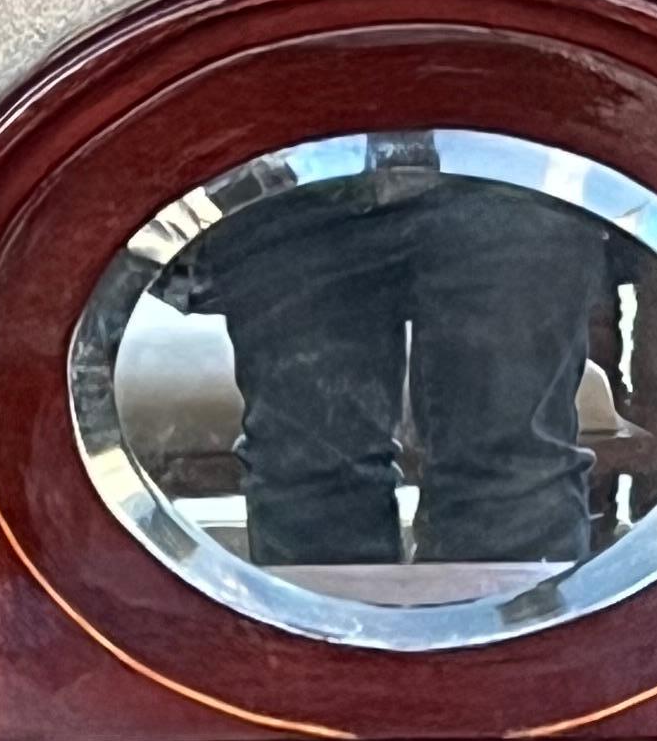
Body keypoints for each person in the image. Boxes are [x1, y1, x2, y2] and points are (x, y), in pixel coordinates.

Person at [179, 141, 609, 571]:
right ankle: (328, 636)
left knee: (511, 472)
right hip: (292, 154)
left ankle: (518, 635)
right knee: (313, 474)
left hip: (511, 149)